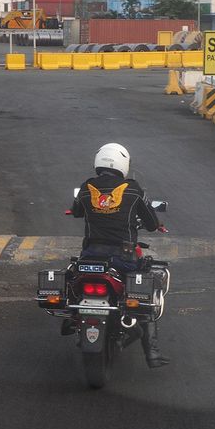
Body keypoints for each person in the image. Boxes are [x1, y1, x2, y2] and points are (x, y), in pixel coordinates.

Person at [70, 142, 170, 368]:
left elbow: (76, 211)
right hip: (123, 258)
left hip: (91, 256)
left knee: (73, 276)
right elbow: (152, 224)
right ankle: (152, 353)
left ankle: (73, 320)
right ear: (123, 163)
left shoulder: (87, 187)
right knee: (145, 292)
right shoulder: (133, 189)